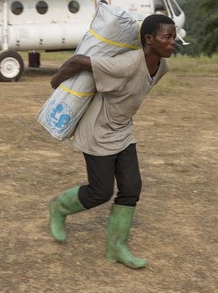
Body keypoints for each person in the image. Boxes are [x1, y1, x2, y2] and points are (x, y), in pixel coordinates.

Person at [48, 14, 177, 269]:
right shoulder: (128, 64)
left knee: (131, 188)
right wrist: (55, 82)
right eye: (168, 37)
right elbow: (78, 61)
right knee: (101, 192)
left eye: (174, 37)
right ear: (149, 39)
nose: (173, 42)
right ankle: (59, 208)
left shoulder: (162, 67)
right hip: (97, 131)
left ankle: (116, 247)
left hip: (122, 131)